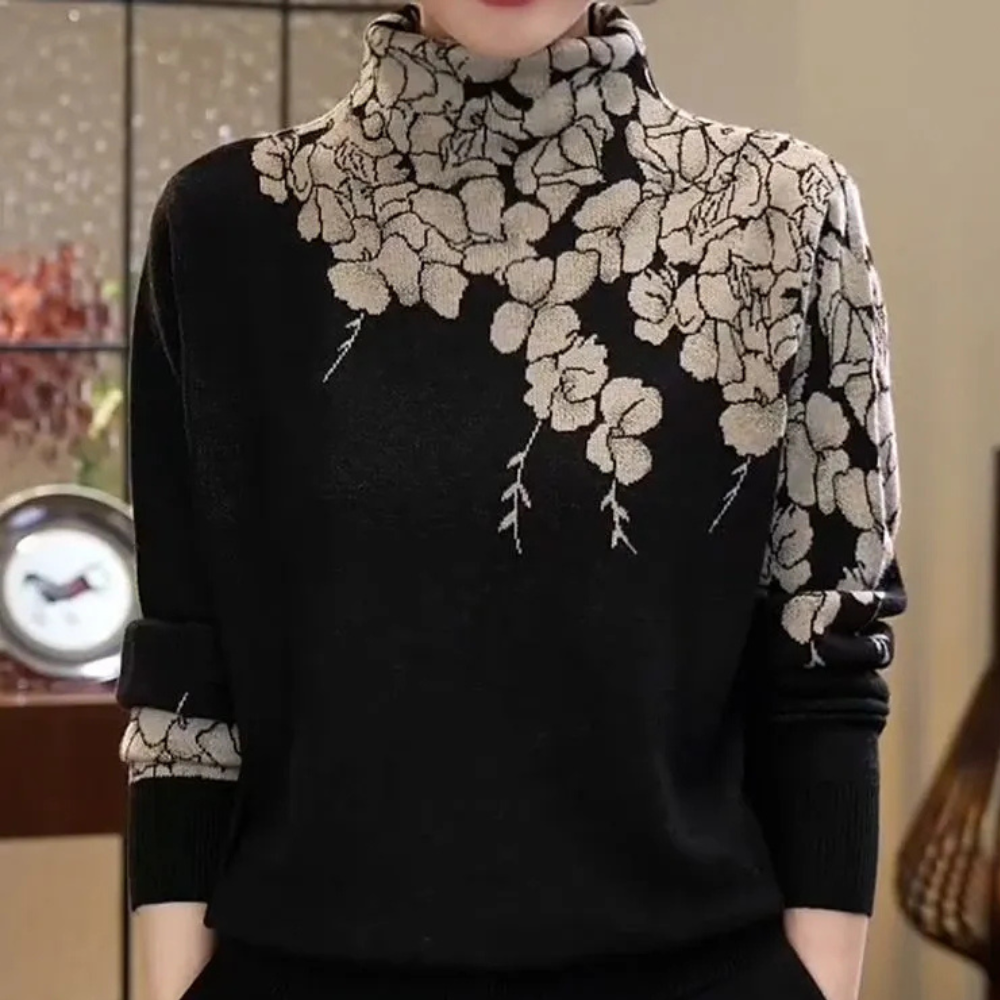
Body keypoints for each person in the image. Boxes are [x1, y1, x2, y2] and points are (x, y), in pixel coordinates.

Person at [117, 2, 907, 999]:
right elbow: (188, 675)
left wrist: (820, 985)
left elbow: (826, 646)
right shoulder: (224, 228)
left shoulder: (782, 213)